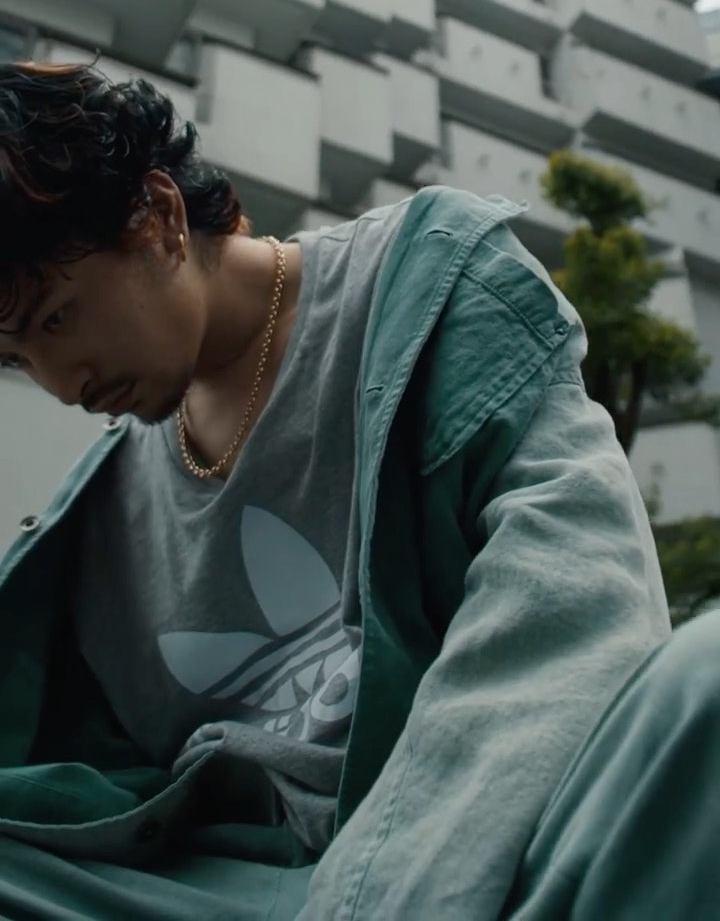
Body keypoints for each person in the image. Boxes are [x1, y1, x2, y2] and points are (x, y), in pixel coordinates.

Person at [0, 57, 712, 921]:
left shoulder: (428, 284)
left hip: (493, 836)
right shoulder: (102, 510)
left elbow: (571, 613)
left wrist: (373, 894)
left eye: (55, 317)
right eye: (17, 357)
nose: (59, 381)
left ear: (156, 217)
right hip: (238, 887)